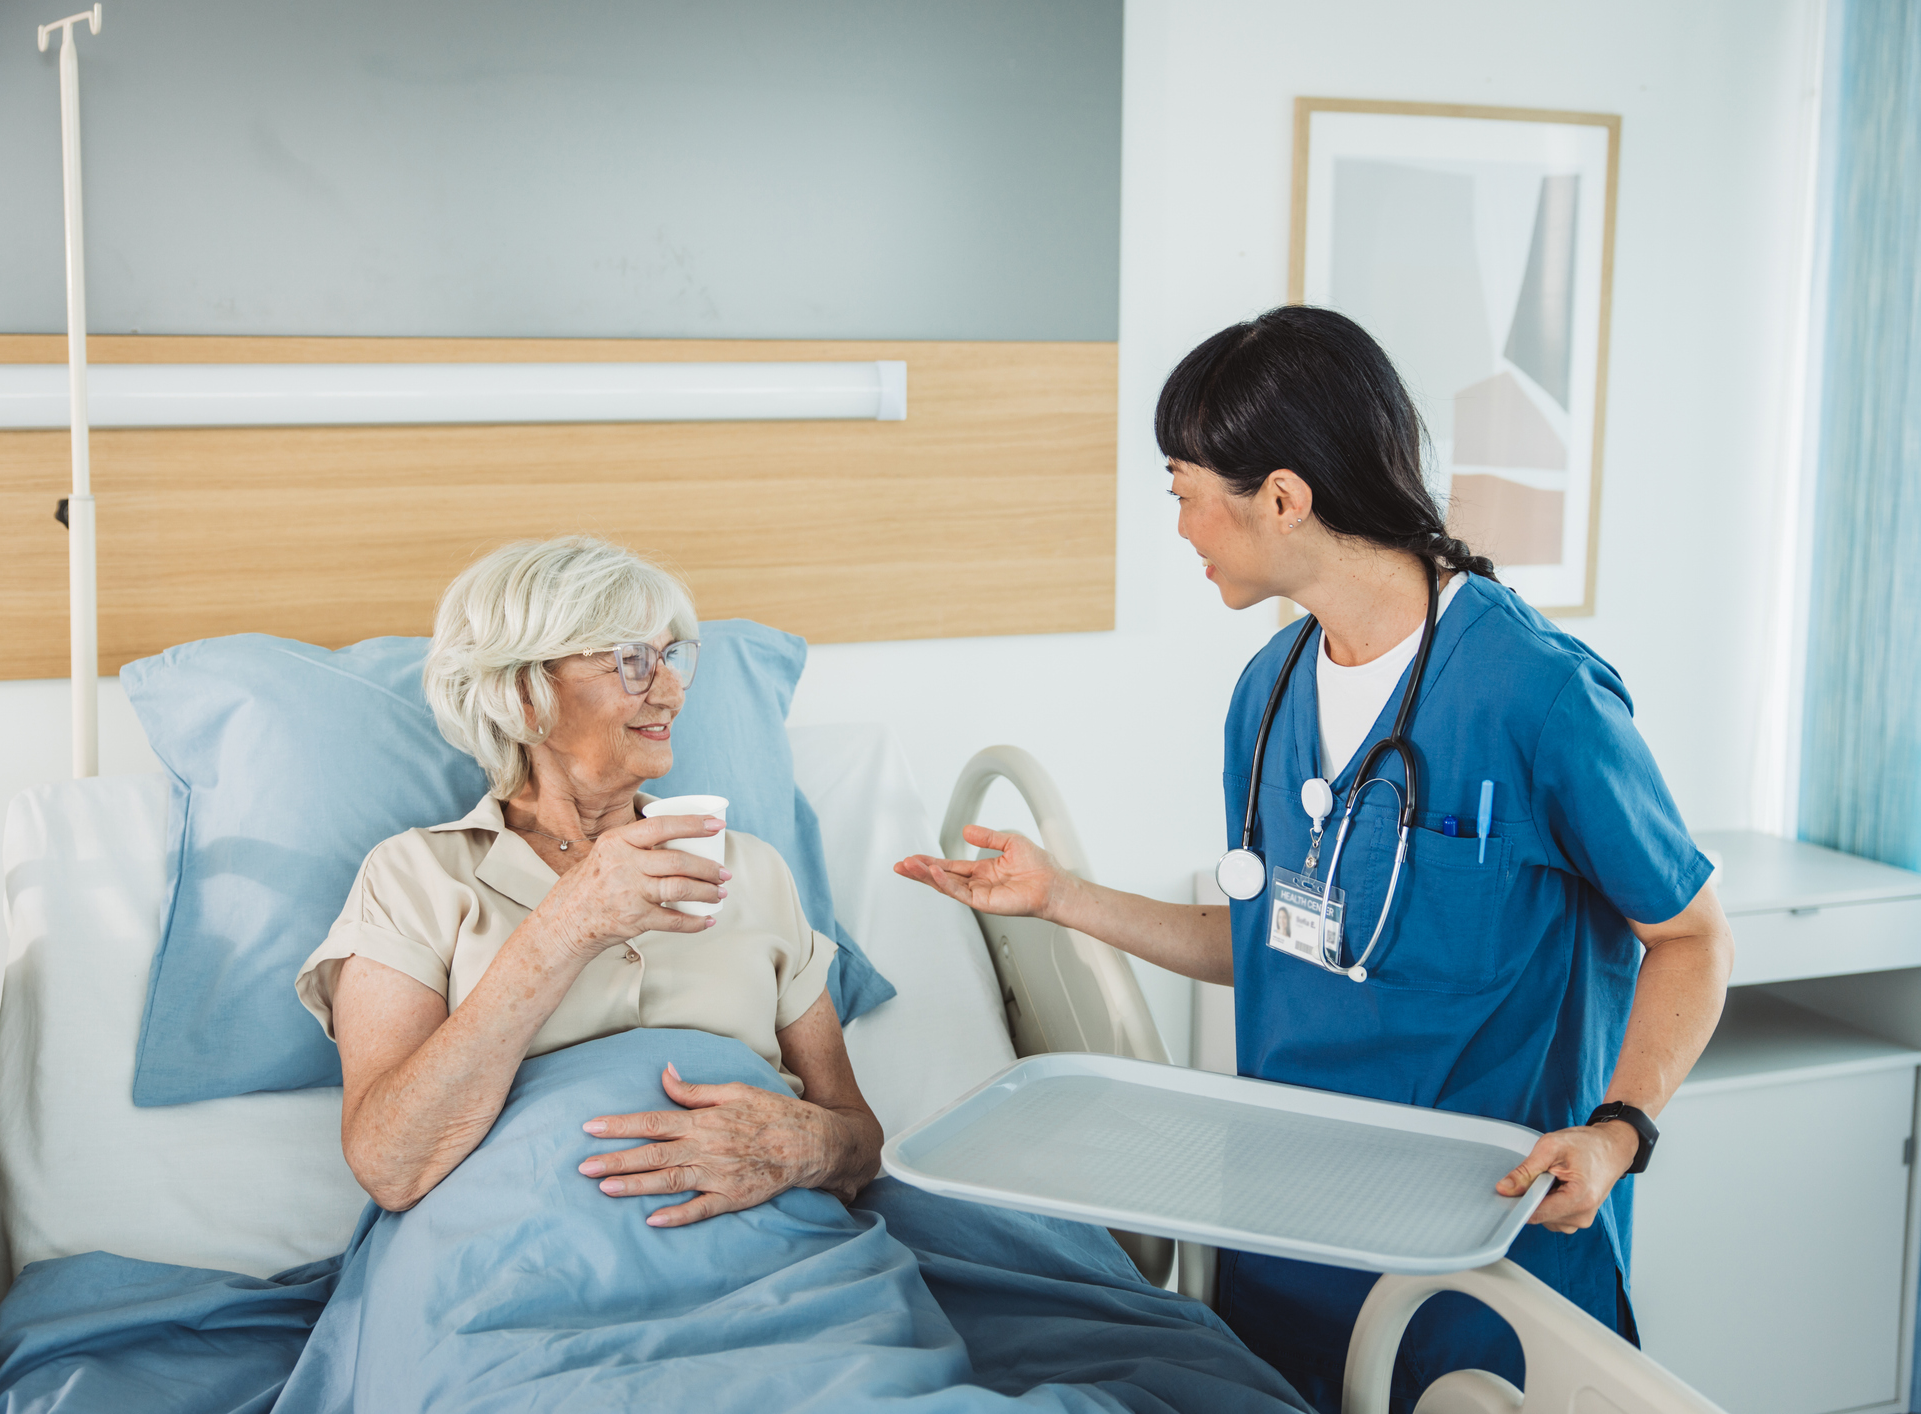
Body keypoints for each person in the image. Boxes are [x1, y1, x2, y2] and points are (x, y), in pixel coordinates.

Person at [897, 307, 1734, 1412]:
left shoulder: (1535, 696)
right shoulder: (1271, 691)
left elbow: (1691, 934)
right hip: (1287, 1237)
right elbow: (1279, 944)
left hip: (1484, 1246)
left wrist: (1620, 1130)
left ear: (1283, 499)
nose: (1183, 524)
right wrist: (1060, 898)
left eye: (1184, 489)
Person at [296, 535, 882, 1224]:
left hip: (768, 1255)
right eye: (631, 661)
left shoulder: (750, 868)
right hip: (513, 1258)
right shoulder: (414, 875)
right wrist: (568, 926)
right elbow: (391, 1167)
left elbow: (859, 1142)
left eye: (671, 658)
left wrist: (809, 1144)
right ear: (522, 692)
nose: (668, 692)